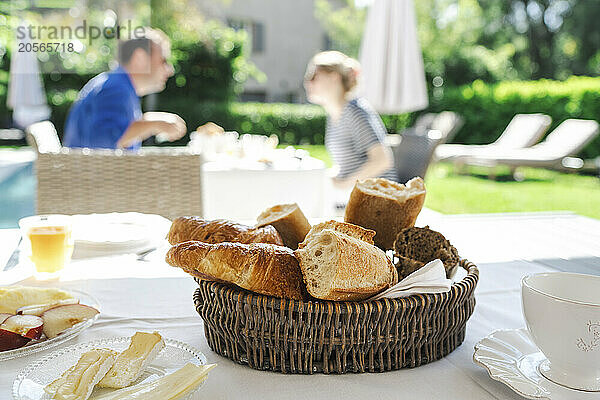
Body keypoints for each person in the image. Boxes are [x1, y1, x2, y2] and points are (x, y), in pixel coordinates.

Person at [63, 28, 186, 150]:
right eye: (163, 60)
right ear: (140, 58)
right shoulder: (115, 89)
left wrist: (150, 121)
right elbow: (105, 142)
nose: (170, 70)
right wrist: (154, 124)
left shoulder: (118, 85)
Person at [304, 51, 397, 189]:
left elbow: (382, 160)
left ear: (334, 77)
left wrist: (343, 185)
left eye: (313, 76)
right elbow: (347, 167)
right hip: (354, 194)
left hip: (376, 197)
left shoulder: (355, 111)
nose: (307, 82)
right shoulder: (335, 114)